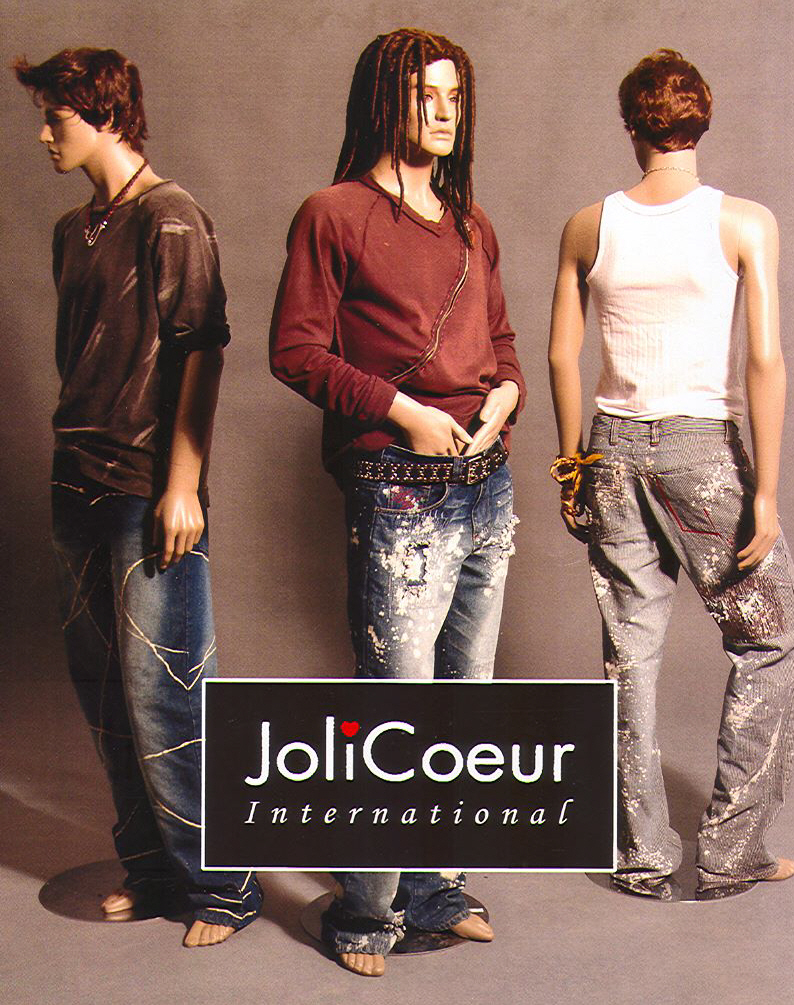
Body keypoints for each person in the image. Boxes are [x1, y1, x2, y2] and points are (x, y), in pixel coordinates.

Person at [270, 27, 525, 975]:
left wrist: (504, 398)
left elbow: (502, 342)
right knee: (397, 706)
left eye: (456, 96)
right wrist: (403, 412)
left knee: (465, 706)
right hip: (399, 491)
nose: (446, 112)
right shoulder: (333, 213)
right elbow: (295, 349)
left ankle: (435, 888)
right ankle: (365, 911)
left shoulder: (471, 222)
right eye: (428, 95)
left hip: (486, 484)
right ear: (386, 101)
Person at [14, 47, 262, 946]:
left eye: (57, 118)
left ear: (106, 114)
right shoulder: (71, 230)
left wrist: (182, 486)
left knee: (168, 691)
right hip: (72, 480)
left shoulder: (173, 217)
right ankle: (153, 870)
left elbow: (202, 352)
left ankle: (225, 887)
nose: (45, 135)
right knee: (103, 693)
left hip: (146, 488)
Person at [548, 48, 794, 901]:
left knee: (631, 656)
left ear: (630, 126)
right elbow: (764, 359)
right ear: (703, 119)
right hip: (704, 453)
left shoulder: (589, 225)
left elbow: (563, 353)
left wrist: (573, 463)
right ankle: (730, 850)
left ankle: (645, 856)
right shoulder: (746, 223)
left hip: (611, 452)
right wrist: (766, 490)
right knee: (769, 638)